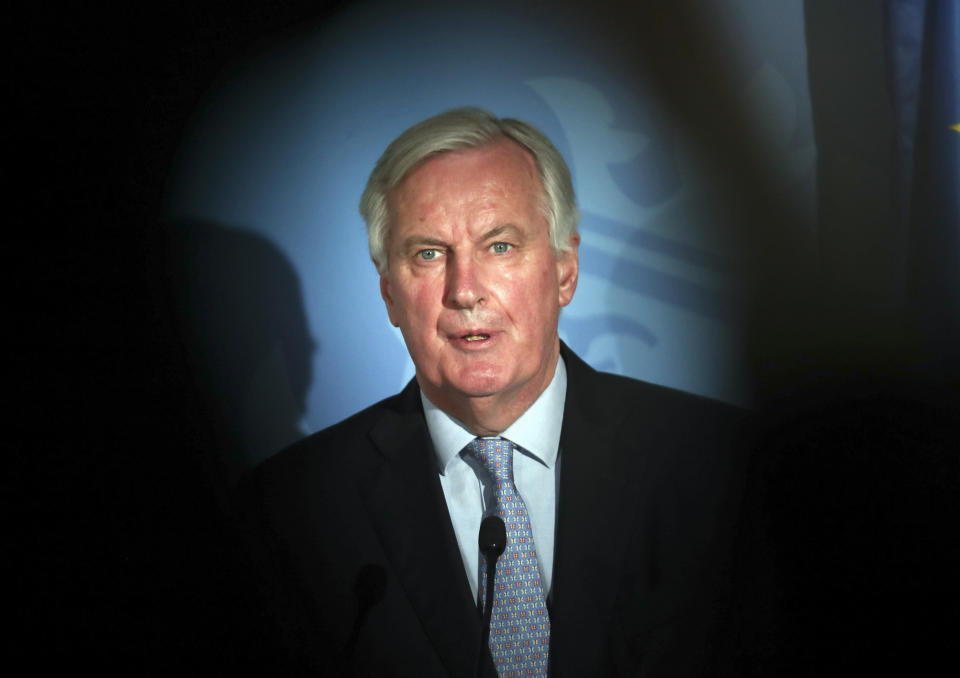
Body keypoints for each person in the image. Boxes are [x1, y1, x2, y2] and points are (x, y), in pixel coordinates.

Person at [242, 108, 751, 677]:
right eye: (428, 254)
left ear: (565, 270)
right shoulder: (294, 507)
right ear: (388, 293)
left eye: (500, 246)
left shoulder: (717, 463)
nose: (464, 291)